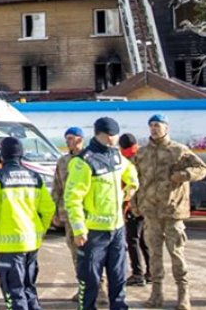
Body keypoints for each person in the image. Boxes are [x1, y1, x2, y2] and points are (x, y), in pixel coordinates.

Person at [131, 113, 206, 310]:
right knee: (154, 255)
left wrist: (184, 175)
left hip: (173, 211)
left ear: (166, 127)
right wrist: (135, 205)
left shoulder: (178, 150)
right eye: (151, 125)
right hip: (151, 212)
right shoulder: (142, 153)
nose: (154, 128)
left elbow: (202, 168)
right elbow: (134, 180)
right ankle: (156, 294)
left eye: (158, 125)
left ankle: (183, 295)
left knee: (176, 253)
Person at [64, 116, 139, 310]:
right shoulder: (83, 162)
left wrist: (131, 187)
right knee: (90, 281)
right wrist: (79, 229)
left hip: (117, 229)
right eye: (113, 135)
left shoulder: (115, 155)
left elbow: (130, 170)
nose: (116, 139)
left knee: (118, 278)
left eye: (117, 135)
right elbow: (72, 198)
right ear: (102, 135)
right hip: (93, 232)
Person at [0, 136, 55, 310]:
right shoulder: (35, 177)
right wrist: (42, 230)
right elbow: (48, 209)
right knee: (29, 290)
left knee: (14, 293)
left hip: (10, 247)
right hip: (32, 244)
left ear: (1, 155)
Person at [51, 125, 86, 297]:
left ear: (80, 139)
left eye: (71, 138)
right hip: (69, 214)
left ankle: (99, 288)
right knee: (76, 253)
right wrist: (54, 211)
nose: (68, 142)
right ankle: (83, 288)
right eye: (67, 139)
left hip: (88, 214)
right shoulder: (63, 161)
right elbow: (57, 187)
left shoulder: (89, 159)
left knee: (91, 253)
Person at [118, 133, 151, 287]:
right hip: (146, 204)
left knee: (132, 239)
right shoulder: (145, 155)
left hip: (133, 205)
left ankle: (138, 274)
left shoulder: (124, 160)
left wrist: (125, 205)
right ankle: (150, 272)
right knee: (144, 239)